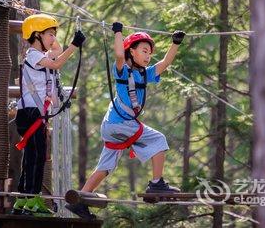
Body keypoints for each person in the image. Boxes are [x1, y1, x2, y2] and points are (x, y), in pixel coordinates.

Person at [66, 22, 185, 219]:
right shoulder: (122, 70)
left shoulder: (144, 74)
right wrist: (118, 33)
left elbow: (164, 63)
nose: (148, 56)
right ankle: (156, 183)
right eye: (144, 51)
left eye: (149, 53)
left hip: (114, 126)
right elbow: (119, 55)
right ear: (132, 51)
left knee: (106, 167)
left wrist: (175, 43)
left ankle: (80, 201)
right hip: (121, 124)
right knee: (159, 140)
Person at [12, 13, 85, 216]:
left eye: (54, 34)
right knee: (36, 157)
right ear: (36, 35)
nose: (53, 39)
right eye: (50, 34)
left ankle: (23, 198)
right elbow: (57, 63)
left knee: (32, 156)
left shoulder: (41, 55)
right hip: (31, 112)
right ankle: (33, 200)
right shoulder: (33, 55)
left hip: (33, 113)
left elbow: (57, 51)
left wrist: (53, 33)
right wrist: (75, 45)